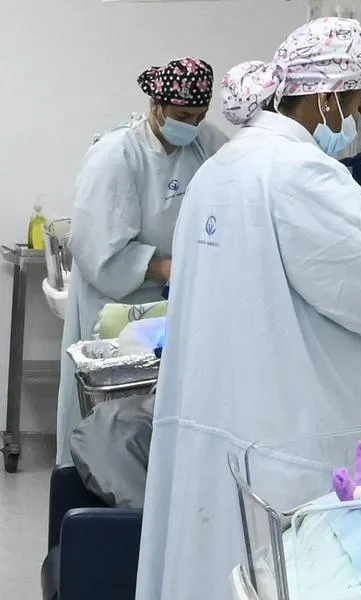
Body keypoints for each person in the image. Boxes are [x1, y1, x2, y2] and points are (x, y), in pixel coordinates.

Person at [136, 18, 361, 600]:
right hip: (283, 449)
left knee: (207, 571)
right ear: (326, 98)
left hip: (218, 431)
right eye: (358, 106)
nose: (355, 124)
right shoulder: (300, 173)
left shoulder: (224, 166)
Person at [55, 57, 228, 466]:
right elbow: (100, 249)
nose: (192, 123)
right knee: (115, 425)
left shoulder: (205, 143)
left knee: (168, 421)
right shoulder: (117, 156)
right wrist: (171, 269)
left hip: (177, 301)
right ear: (155, 104)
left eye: (200, 115)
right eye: (183, 115)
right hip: (119, 303)